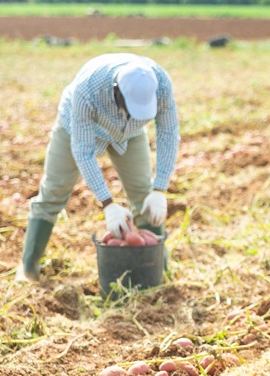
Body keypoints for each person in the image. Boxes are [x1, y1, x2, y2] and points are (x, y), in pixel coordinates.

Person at [18, 53, 180, 281]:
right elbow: (83, 152)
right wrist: (108, 204)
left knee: (143, 195)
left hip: (130, 134)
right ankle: (28, 270)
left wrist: (160, 188)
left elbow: (169, 133)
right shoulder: (88, 89)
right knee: (53, 192)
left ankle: (157, 273)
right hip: (79, 129)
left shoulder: (161, 84)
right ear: (116, 91)